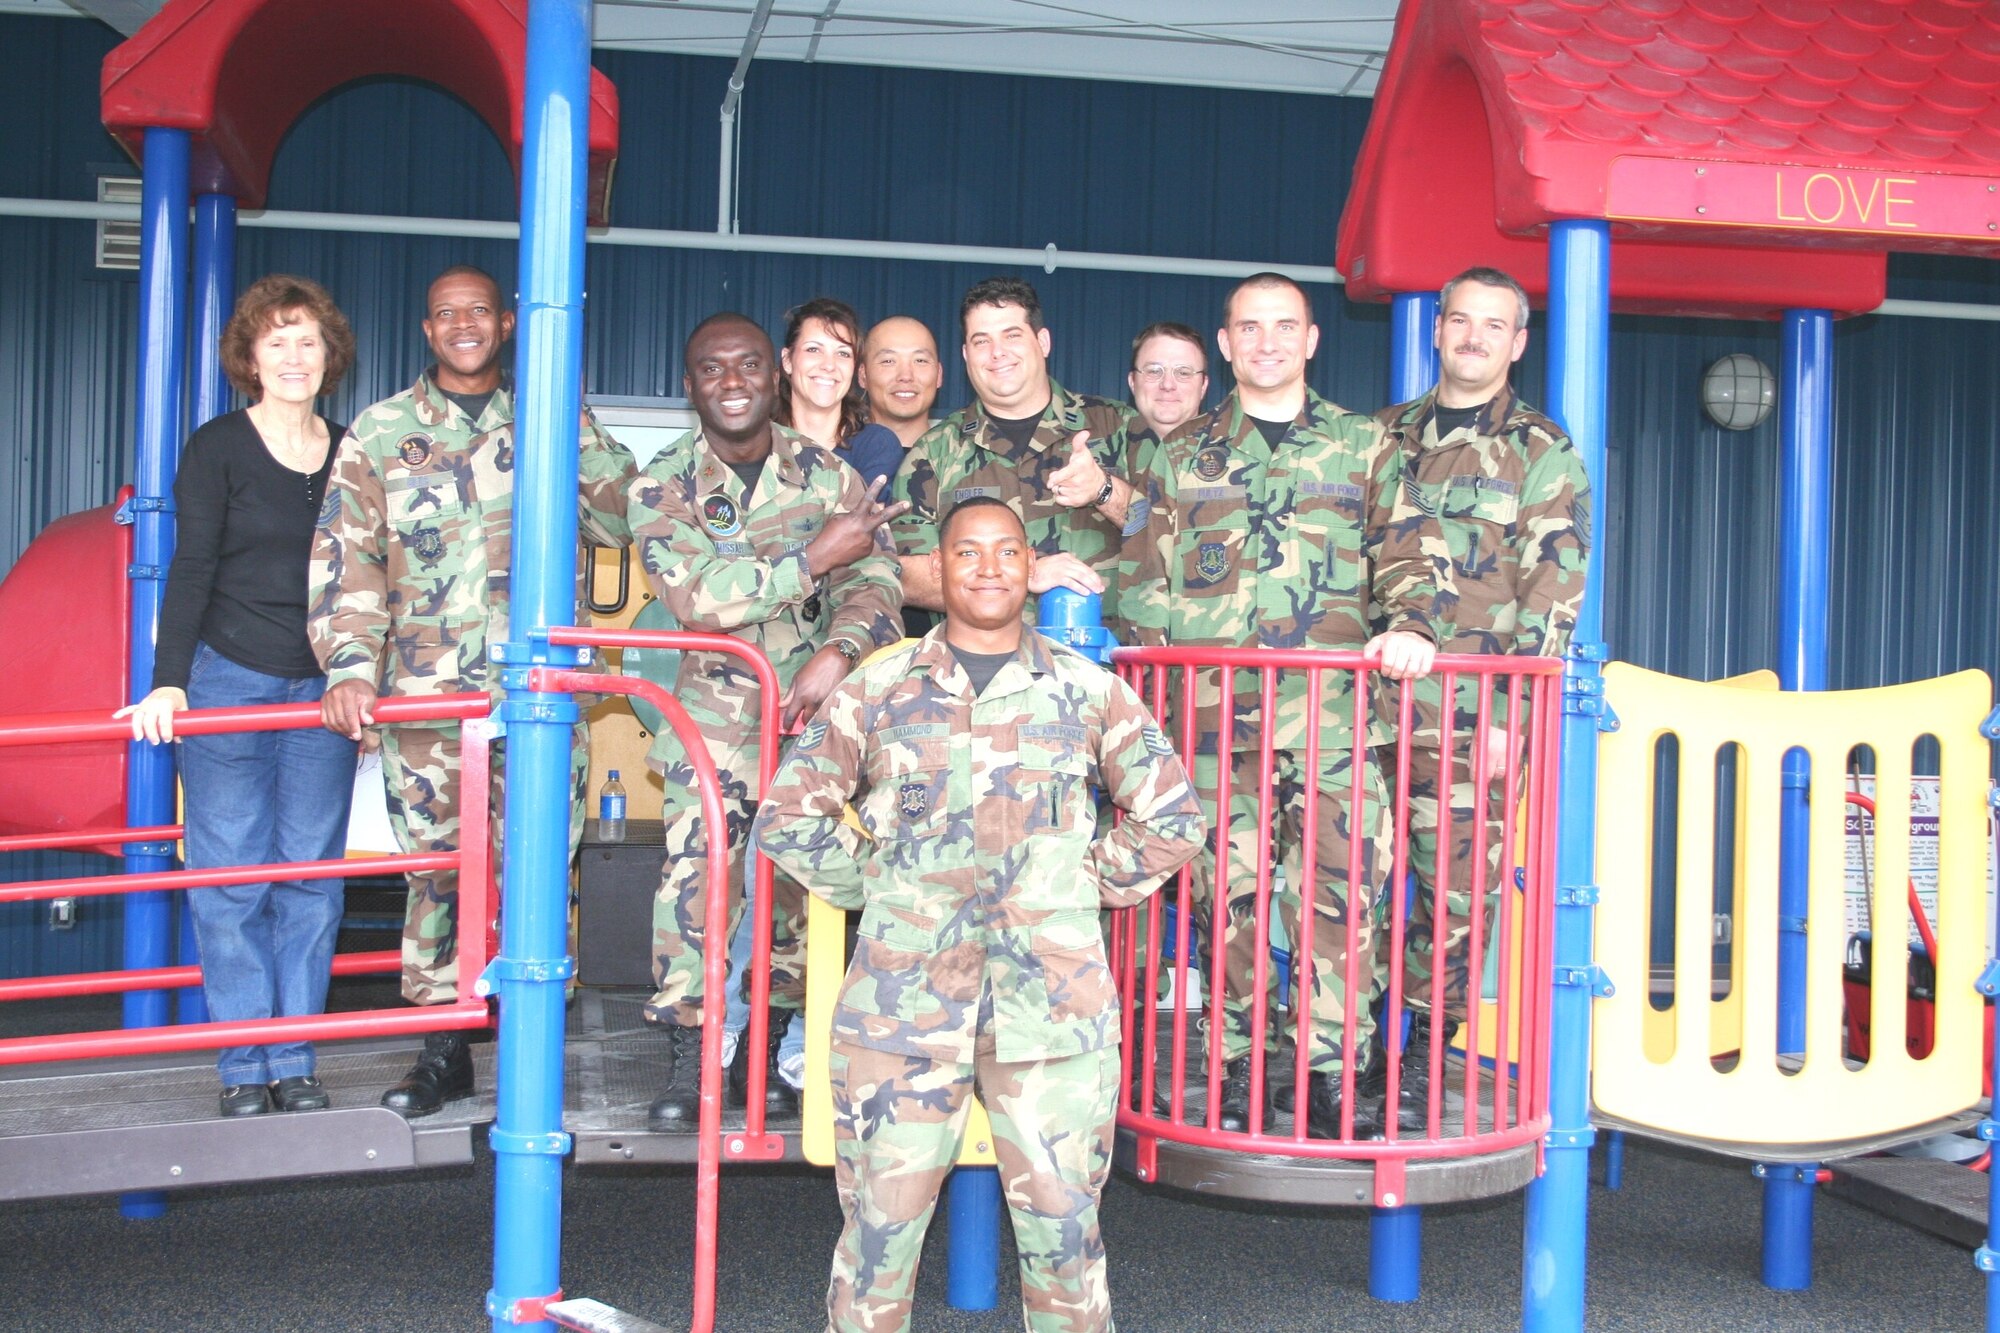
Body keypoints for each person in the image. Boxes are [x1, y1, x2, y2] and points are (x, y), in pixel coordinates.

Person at [754, 495, 1205, 1333]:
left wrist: (1075, 882)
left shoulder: (1086, 689)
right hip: (903, 1012)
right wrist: (881, 885)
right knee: (877, 1246)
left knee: (1066, 1245)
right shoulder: (882, 684)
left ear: (1032, 569)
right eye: (968, 552)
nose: (989, 568)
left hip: (1054, 1016)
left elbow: (1174, 818)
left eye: (1007, 552)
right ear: (941, 569)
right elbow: (788, 814)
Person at [1121, 272, 1448, 1139]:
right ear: (1225, 345)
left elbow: (1413, 556)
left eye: (1284, 327)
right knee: (1227, 901)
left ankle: (1333, 1075)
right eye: (1248, 328)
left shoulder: (1365, 446)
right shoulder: (1178, 454)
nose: (1266, 342)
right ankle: (1239, 1064)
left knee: (1339, 903)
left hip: (1336, 724)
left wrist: (1412, 622)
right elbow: (1142, 585)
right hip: (1214, 727)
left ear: (1310, 340)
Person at [308, 264, 636, 1116]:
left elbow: (625, 514)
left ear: (507, 322)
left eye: (479, 311)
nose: (463, 324)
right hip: (430, 701)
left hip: (538, 694)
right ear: (427, 329)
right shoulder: (380, 433)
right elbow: (349, 559)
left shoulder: (548, 419)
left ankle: (535, 1049)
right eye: (447, 312)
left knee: (539, 863)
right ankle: (442, 1045)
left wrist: (568, 412)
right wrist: (349, 664)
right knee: (440, 871)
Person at [631, 313, 903, 1129]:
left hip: (813, 716)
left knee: (796, 877)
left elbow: (881, 578)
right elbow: (697, 598)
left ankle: (771, 1044)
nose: (734, 381)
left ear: (772, 375)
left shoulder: (826, 475)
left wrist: (842, 649)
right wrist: (813, 559)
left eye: (749, 364)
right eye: (713, 369)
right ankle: (691, 1048)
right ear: (692, 386)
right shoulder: (663, 482)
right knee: (698, 871)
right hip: (713, 714)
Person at [117, 275, 361, 1119]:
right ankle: (241, 1067)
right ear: (249, 357)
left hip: (324, 690)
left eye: (308, 341)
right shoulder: (218, 445)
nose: (293, 356)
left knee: (312, 882)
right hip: (227, 678)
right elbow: (189, 567)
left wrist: (367, 675)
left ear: (329, 357)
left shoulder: (351, 448)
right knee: (231, 879)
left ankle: (293, 1059)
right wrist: (167, 680)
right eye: (276, 341)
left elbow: (378, 574)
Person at [1366, 265, 1590, 1131]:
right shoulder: (1380, 435)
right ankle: (1346, 1043)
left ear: (1517, 342)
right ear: (1437, 329)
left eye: (1492, 326)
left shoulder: (1542, 450)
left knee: (1456, 892)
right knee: (1346, 879)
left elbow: (1553, 594)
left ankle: (1423, 1048)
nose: (1472, 338)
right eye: (1460, 320)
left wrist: (1511, 720)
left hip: (1471, 720)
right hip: (1372, 708)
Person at [891, 277, 1139, 631]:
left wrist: (1104, 490)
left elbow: (1171, 535)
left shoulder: (1119, 427)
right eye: (981, 341)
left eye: (1012, 335)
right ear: (965, 355)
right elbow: (904, 574)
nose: (997, 353)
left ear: (1043, 341)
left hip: (1098, 671)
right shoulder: (933, 454)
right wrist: (1025, 574)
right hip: (979, 674)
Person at [775, 297, 904, 489]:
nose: (829, 365)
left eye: (843, 353)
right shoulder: (760, 442)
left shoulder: (875, 445)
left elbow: (866, 517)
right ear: (787, 360)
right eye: (813, 349)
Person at [857, 315, 943, 453]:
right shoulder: (834, 458)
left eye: (920, 361)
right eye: (888, 361)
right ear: (863, 375)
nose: (906, 376)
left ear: (939, 375)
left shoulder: (962, 458)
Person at [1126, 320, 1209, 444]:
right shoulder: (1091, 456)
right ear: (1132, 382)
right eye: (1154, 371)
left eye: (1183, 373)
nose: (1167, 385)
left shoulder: (1237, 459)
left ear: (1203, 386)